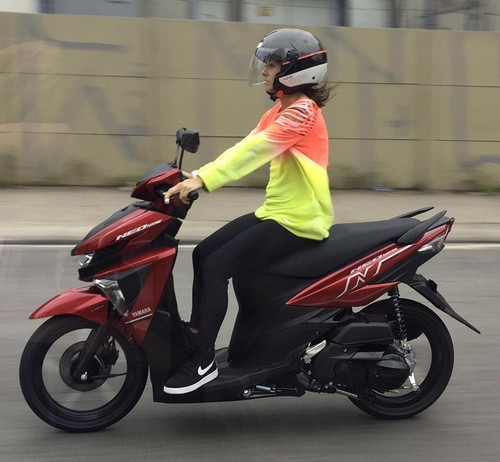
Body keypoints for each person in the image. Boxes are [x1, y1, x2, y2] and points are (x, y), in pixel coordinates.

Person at [163, 28, 334, 394]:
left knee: (216, 265)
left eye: (271, 65)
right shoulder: (279, 110)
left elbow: (253, 153)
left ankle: (203, 360)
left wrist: (202, 181)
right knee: (204, 253)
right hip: (277, 212)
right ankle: (197, 336)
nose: (264, 72)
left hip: (299, 220)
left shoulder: (303, 113)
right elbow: (246, 146)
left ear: (295, 72)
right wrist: (191, 177)